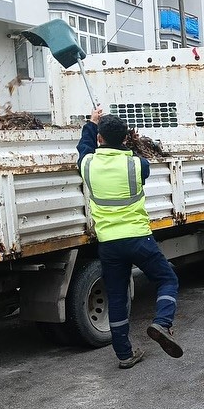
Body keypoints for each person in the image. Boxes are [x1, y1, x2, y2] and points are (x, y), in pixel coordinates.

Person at [77, 106, 184, 368]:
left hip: (109, 244)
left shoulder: (88, 165)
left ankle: (125, 355)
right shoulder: (137, 165)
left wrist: (91, 124)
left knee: (116, 297)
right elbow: (136, 160)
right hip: (138, 238)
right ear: (126, 139)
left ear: (99, 139)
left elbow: (83, 148)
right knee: (167, 279)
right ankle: (162, 323)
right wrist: (123, 144)